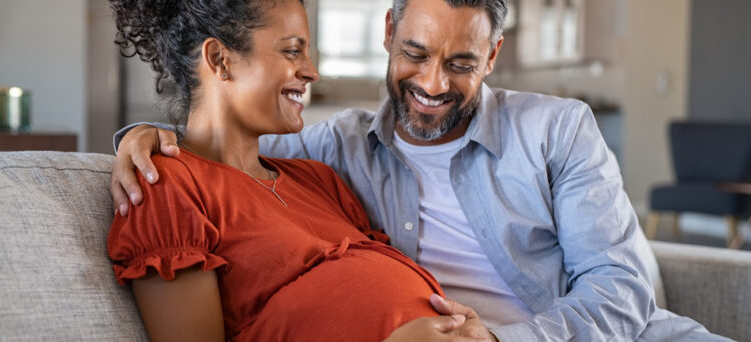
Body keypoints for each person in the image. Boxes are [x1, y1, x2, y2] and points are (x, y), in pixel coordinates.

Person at [111, 0, 731, 340]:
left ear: (492, 55)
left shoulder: (557, 129)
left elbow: (620, 288)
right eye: (415, 54)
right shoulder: (337, 148)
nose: (433, 84)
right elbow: (216, 153)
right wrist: (145, 137)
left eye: (461, 63)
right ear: (388, 32)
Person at [105, 0, 494, 341]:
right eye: (292, 51)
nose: (311, 71)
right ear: (220, 60)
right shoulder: (167, 185)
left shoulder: (318, 179)